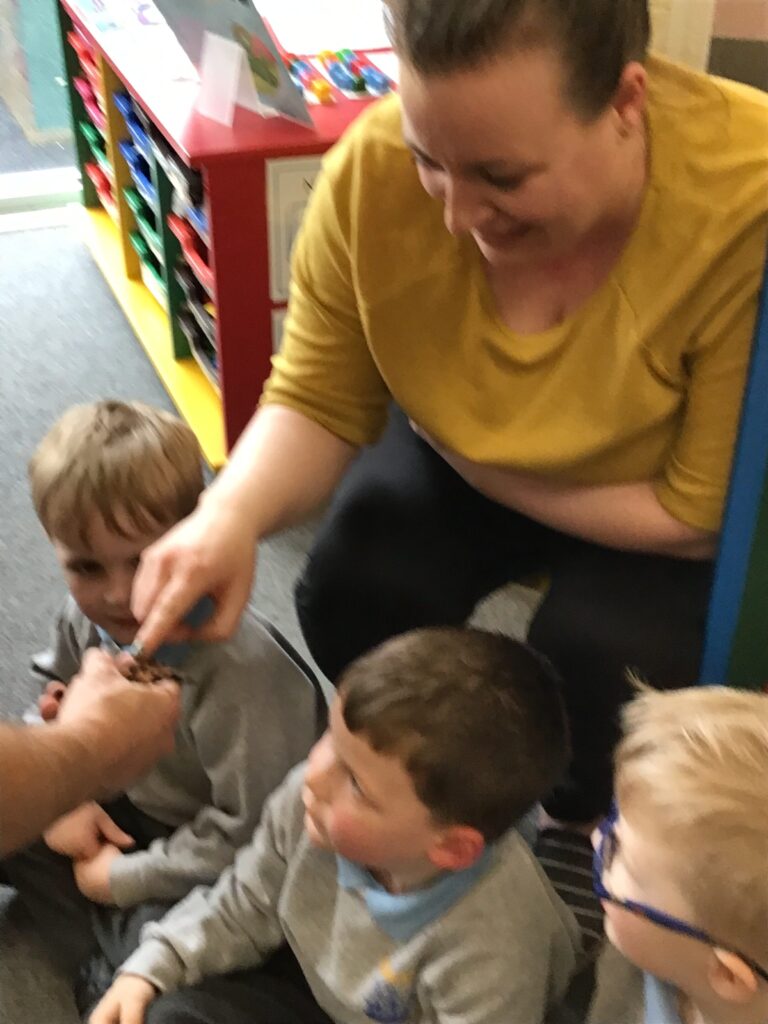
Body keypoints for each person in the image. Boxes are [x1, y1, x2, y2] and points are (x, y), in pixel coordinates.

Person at [129, 0, 768, 942]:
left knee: (606, 666)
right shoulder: (370, 174)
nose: (456, 214)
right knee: (355, 584)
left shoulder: (745, 201)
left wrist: (472, 459)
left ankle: (574, 830)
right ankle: (426, 801)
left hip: (646, 501)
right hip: (463, 444)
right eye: (430, 158)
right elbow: (317, 395)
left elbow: (700, 514)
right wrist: (227, 515)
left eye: (500, 176)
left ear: (626, 103)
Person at [4, 400, 324, 1011]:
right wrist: (64, 800)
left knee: (182, 994)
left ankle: (111, 963)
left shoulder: (244, 676)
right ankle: (114, 955)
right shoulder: (83, 619)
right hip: (130, 813)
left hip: (222, 859)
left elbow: (255, 838)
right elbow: (51, 707)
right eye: (86, 567)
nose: (118, 595)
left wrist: (120, 879)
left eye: (144, 560)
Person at [89, 627, 580, 1024]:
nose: (315, 775)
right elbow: (244, 904)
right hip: (310, 965)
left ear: (451, 849)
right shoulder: (313, 804)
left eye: (357, 784)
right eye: (331, 740)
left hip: (377, 996)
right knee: (158, 986)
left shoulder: (495, 946)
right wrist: (150, 971)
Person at [593, 685, 768, 1024]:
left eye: (624, 860)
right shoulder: (647, 945)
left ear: (726, 975)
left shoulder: (645, 943)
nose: (597, 838)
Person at [0, 649, 180, 857]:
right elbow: (53, 684)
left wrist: (115, 873)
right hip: (87, 796)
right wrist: (69, 797)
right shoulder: (87, 634)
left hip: (173, 838)